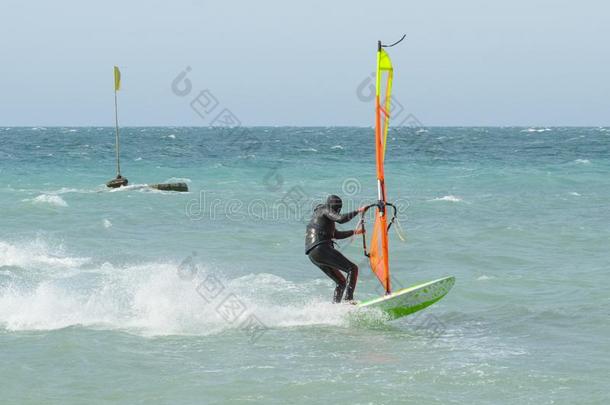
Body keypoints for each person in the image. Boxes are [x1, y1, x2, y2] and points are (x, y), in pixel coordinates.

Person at [305, 195, 365, 303]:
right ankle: (348, 301)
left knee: (341, 282)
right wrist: (358, 211)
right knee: (352, 269)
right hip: (320, 248)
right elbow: (341, 219)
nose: (337, 211)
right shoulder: (324, 209)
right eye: (337, 209)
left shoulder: (321, 216)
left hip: (313, 254)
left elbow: (335, 234)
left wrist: (355, 232)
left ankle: (335, 307)